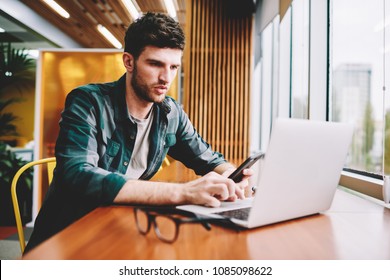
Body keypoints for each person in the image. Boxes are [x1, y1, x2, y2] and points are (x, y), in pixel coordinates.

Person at [24, 12, 253, 253]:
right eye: (155, 64)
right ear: (129, 62)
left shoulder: (170, 112)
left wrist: (231, 174)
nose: (166, 78)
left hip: (118, 229)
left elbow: (207, 157)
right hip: (67, 237)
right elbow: (80, 176)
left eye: (173, 66)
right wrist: (183, 192)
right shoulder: (88, 101)